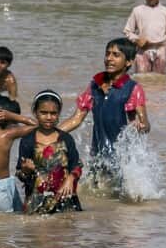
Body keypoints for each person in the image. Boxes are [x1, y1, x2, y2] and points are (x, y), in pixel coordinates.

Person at [59, 38, 149, 183]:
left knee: (118, 194)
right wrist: (53, 133)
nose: (109, 59)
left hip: (120, 158)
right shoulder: (95, 85)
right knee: (95, 191)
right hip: (97, 154)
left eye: (116, 55)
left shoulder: (133, 89)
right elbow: (76, 119)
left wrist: (141, 125)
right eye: (107, 54)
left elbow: (145, 125)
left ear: (129, 62)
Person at [16, 90, 82, 214]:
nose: (48, 117)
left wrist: (70, 178)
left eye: (53, 113)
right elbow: (20, 173)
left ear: (58, 114)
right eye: (43, 113)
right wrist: (25, 170)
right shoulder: (28, 140)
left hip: (64, 200)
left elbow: (77, 165)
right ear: (35, 113)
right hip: (37, 202)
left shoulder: (66, 139)